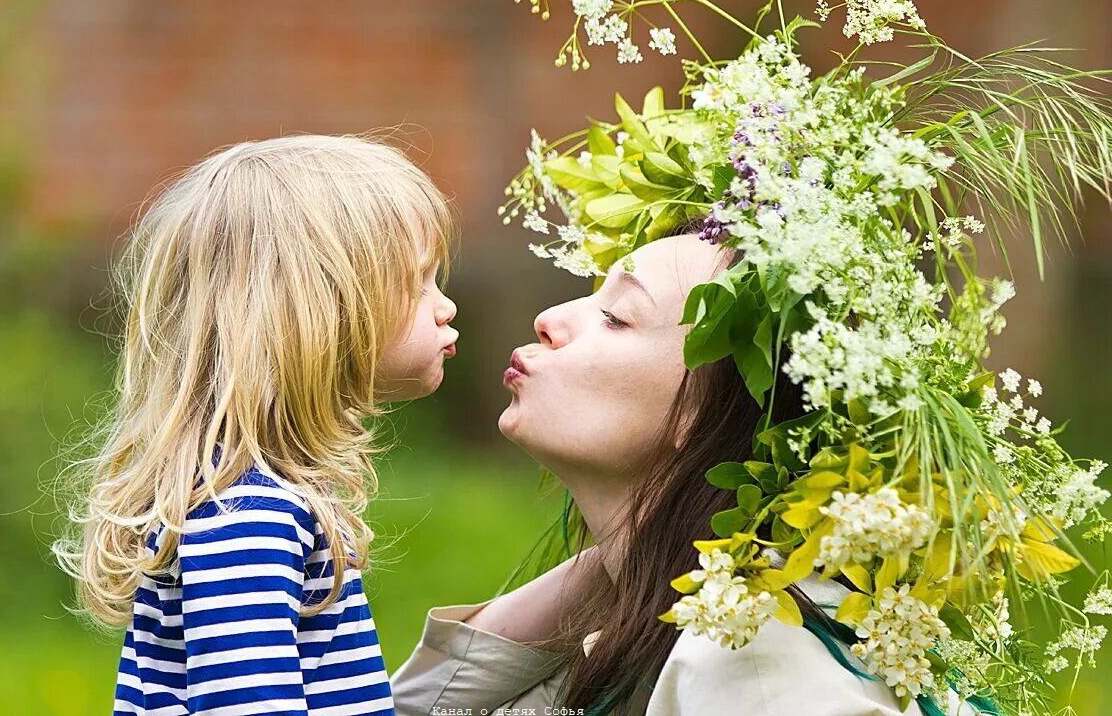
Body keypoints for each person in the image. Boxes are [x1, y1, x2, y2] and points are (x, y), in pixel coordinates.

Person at [391, 227, 974, 716]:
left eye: (616, 316)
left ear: (705, 415)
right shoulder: (665, 615)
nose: (549, 319)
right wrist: (620, 562)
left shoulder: (747, 653)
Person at [54, 135, 459, 716]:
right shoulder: (246, 517)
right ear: (321, 315)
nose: (444, 306)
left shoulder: (252, 496)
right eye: (419, 284)